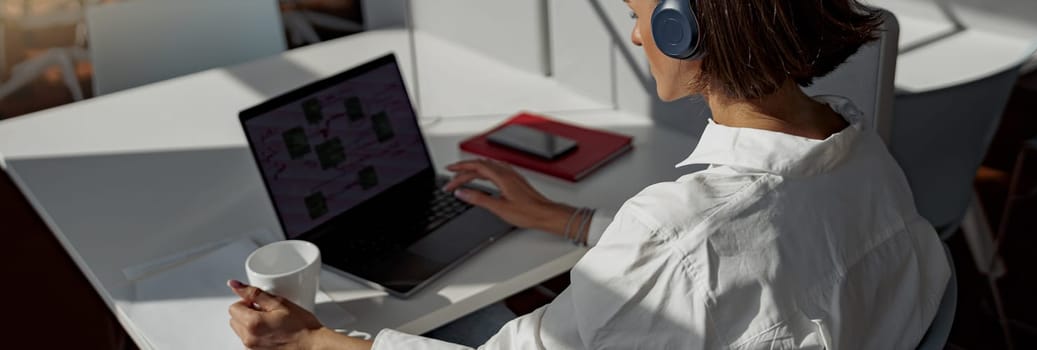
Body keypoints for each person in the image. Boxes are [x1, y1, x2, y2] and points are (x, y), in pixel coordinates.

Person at [226, 0, 951, 348]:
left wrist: (309, 341)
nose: (635, 33)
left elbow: (696, 257)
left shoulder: (679, 234)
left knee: (463, 322)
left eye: (639, 13)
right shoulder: (853, 144)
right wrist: (566, 221)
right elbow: (732, 269)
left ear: (685, 28)